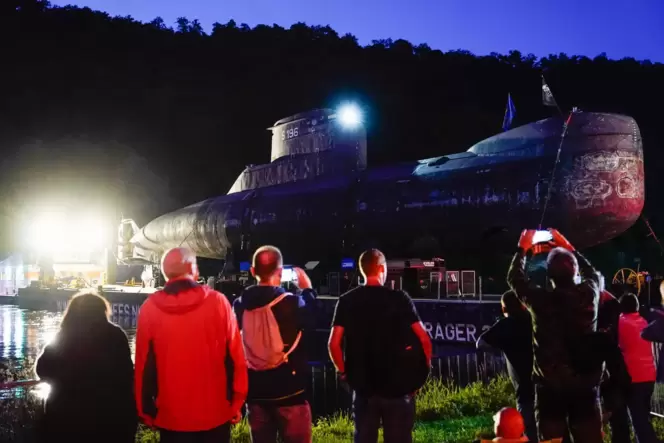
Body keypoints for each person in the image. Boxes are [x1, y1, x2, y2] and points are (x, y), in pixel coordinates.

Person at [134, 247, 247, 443]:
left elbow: (143, 365)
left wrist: (145, 409)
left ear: (164, 272)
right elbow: (236, 357)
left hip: (172, 418)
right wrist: (237, 401)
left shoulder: (149, 309)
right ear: (194, 271)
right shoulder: (218, 302)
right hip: (216, 415)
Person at [507, 229, 603, 442]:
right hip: (585, 385)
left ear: (548, 275)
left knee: (552, 439)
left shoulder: (540, 301)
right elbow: (593, 273)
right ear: (575, 271)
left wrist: (522, 248)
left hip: (549, 387)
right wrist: (570, 248)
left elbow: (514, 278)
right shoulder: (589, 294)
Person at [328, 248, 432, 443]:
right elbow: (424, 340)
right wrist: (420, 376)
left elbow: (333, 344)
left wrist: (343, 372)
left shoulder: (346, 301)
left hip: (364, 388)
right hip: (398, 387)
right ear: (382, 268)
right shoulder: (399, 299)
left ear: (362, 270)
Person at [233, 245, 317, 443]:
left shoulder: (239, 305)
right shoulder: (291, 303)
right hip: (291, 391)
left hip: (256, 393)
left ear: (253, 272)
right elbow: (315, 320)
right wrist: (307, 290)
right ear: (280, 272)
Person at [35, 291, 137, 443]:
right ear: (102, 311)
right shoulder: (116, 336)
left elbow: (42, 369)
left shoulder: (64, 336)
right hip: (109, 420)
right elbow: (127, 375)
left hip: (67, 419)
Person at [477, 290, 537, 442]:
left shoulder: (506, 325)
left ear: (504, 309)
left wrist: (503, 345)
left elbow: (481, 343)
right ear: (523, 305)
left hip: (524, 391)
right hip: (548, 387)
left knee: (526, 433)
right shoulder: (535, 318)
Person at [616, 293, 658, 443]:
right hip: (650, 374)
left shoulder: (621, 322)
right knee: (643, 417)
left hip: (633, 376)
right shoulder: (643, 322)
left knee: (639, 420)